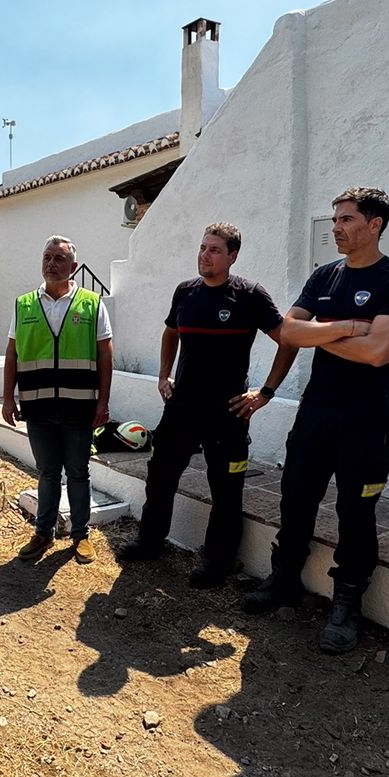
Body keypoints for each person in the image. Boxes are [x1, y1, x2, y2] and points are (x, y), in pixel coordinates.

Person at [238, 188, 389, 653]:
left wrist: (316, 334)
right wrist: (345, 327)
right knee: (295, 498)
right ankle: (284, 582)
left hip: (366, 417)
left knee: (356, 512)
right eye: (335, 219)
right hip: (316, 409)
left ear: (375, 224)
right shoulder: (325, 276)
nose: (336, 227)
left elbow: (377, 353)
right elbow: (287, 331)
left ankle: (346, 605)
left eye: (347, 219)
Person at [120, 223, 285, 588]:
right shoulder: (186, 292)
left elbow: (287, 340)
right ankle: (150, 541)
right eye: (202, 248)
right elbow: (170, 333)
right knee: (161, 475)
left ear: (232, 256)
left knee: (226, 488)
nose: (204, 255)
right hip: (182, 406)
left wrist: (265, 393)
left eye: (214, 250)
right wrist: (164, 375)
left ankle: (218, 562)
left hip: (228, 412)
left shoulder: (250, 295)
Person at [2, 236, 113, 564]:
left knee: (78, 471)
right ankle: (43, 532)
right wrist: (7, 398)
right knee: (47, 472)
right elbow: (12, 354)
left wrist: (103, 401)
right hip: (38, 407)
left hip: (79, 406)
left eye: (59, 259)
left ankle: (81, 535)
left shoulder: (92, 304)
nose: (51, 263)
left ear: (73, 267)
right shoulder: (24, 304)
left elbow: (105, 355)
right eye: (47, 257)